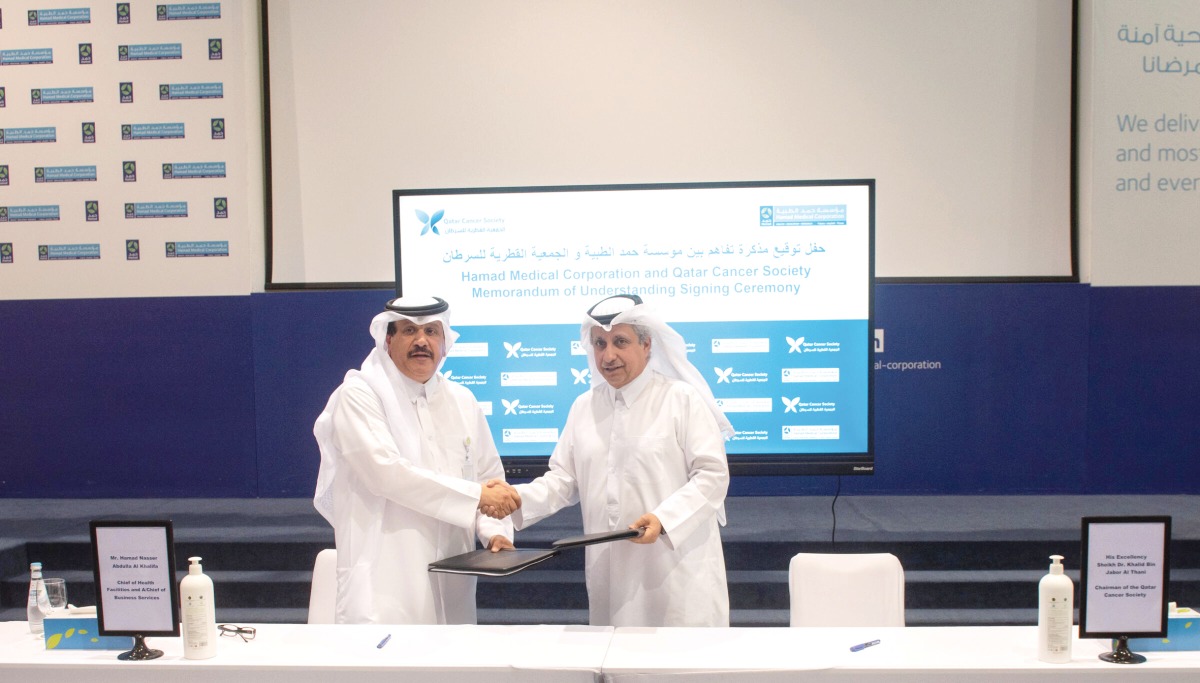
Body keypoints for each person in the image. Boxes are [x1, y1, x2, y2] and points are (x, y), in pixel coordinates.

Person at [497, 294, 733, 627]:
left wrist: (664, 519)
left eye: (620, 342)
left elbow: (712, 477)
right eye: (599, 343)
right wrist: (516, 498)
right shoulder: (584, 407)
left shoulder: (681, 400)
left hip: (675, 573)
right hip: (610, 577)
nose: (608, 356)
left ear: (647, 344)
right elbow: (563, 480)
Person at [313, 295, 521, 625]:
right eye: (410, 330)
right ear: (388, 339)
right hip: (386, 582)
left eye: (432, 332)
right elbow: (385, 473)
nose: (422, 341)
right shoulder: (360, 395)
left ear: (444, 342)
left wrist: (495, 532)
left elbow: (487, 475)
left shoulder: (462, 400)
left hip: (454, 573)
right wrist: (479, 496)